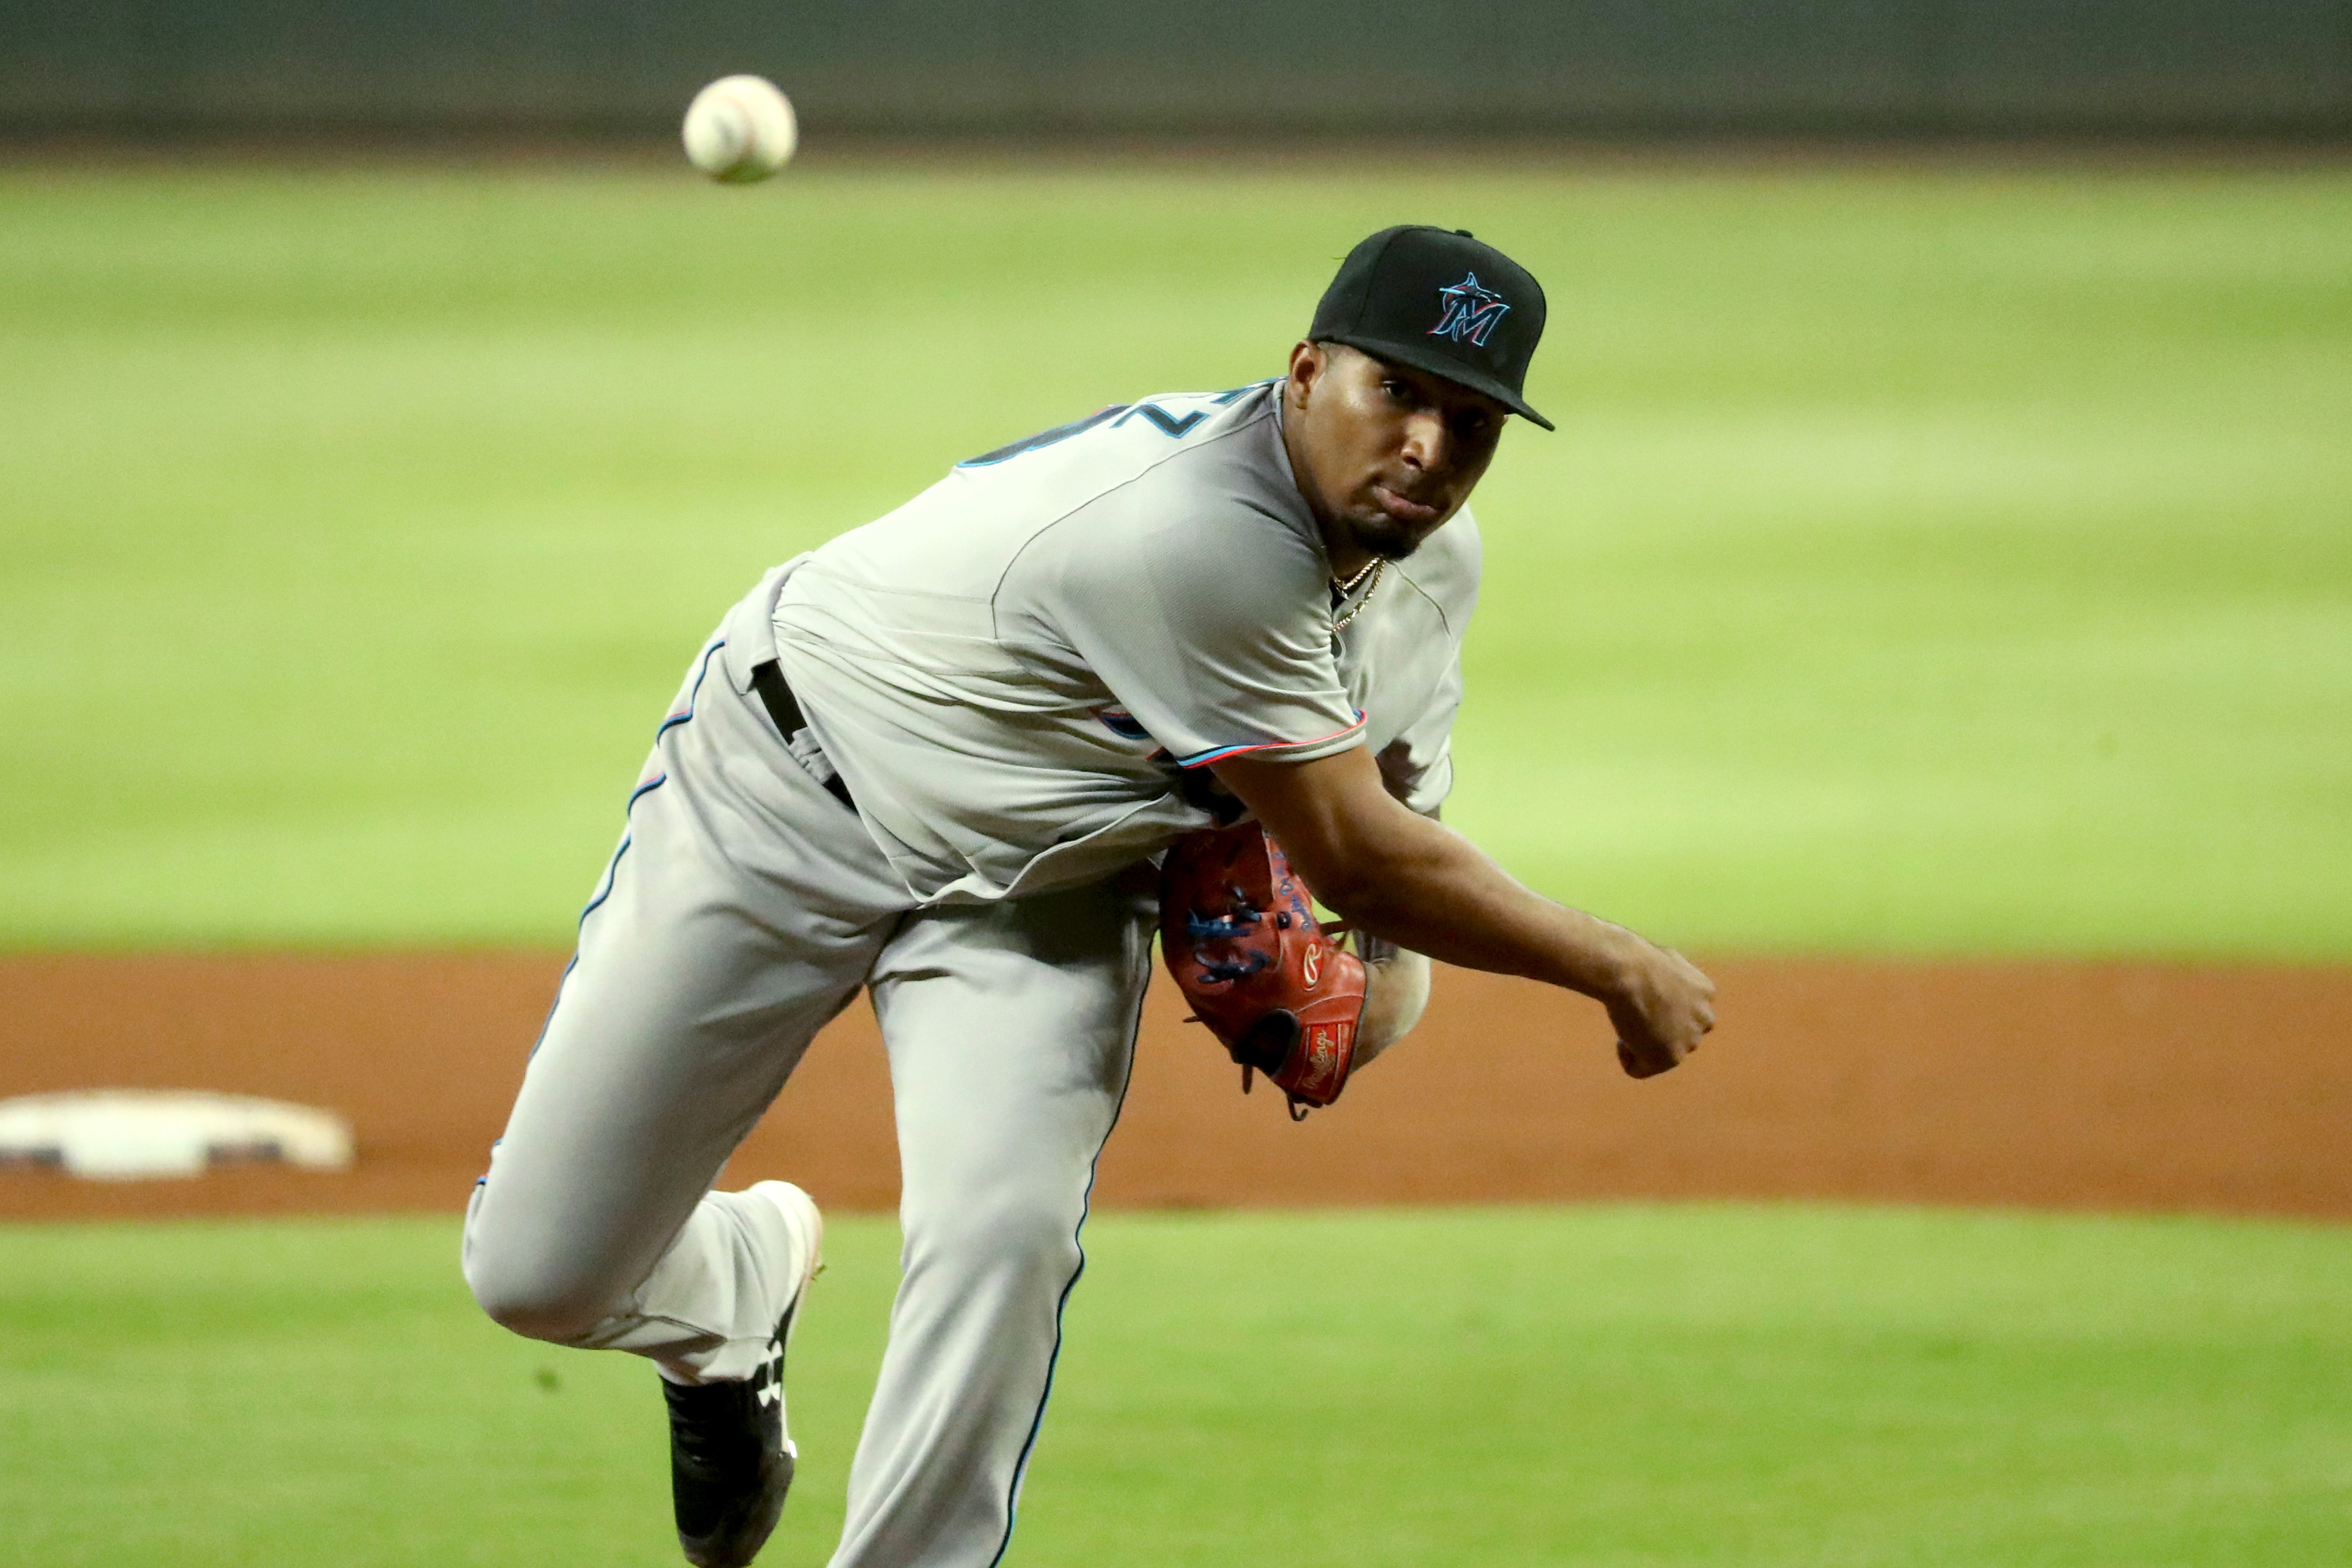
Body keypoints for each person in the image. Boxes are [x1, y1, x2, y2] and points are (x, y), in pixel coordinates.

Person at [462, 224, 1716, 1568]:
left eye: (1469, 422)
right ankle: (728, 1293)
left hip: (1040, 892)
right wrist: (1617, 963)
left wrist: (1374, 995)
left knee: (1002, 1234)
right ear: (1303, 374)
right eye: (1395, 392)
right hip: (784, 795)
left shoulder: (1430, 574)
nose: (1426, 445)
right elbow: (1358, 855)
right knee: (539, 1274)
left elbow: (1398, 837)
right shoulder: (1197, 531)